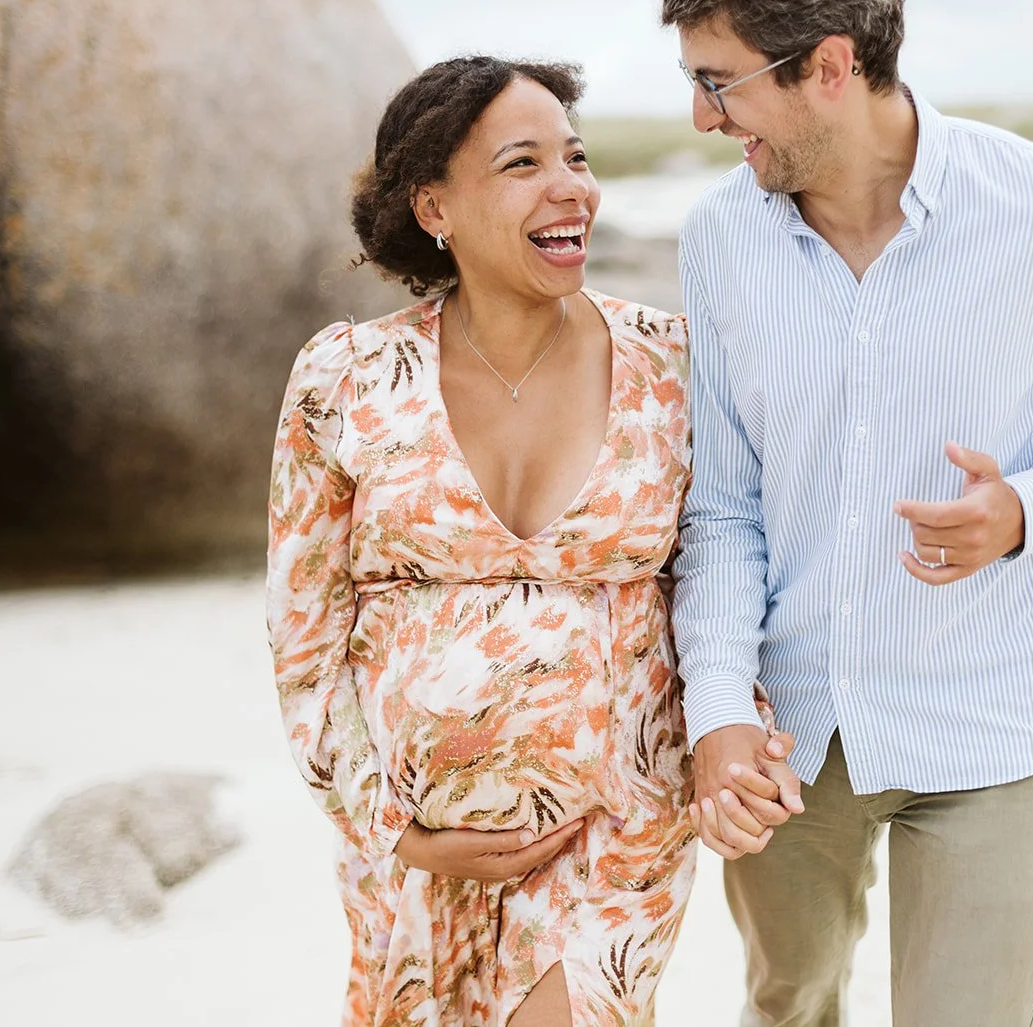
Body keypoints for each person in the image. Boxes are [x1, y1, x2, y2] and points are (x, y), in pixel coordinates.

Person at [660, 0, 1033, 1025]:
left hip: (994, 725)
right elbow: (719, 508)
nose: (700, 116)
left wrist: (1027, 508)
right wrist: (715, 710)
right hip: (787, 739)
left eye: (718, 82)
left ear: (828, 68)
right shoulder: (719, 238)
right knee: (788, 1004)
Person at [266, 55, 785, 1027]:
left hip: (617, 825)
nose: (572, 187)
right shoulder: (345, 377)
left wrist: (736, 720)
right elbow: (302, 637)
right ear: (434, 209)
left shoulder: (672, 363)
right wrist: (390, 825)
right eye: (523, 163)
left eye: (578, 157)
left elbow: (721, 563)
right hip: (411, 851)